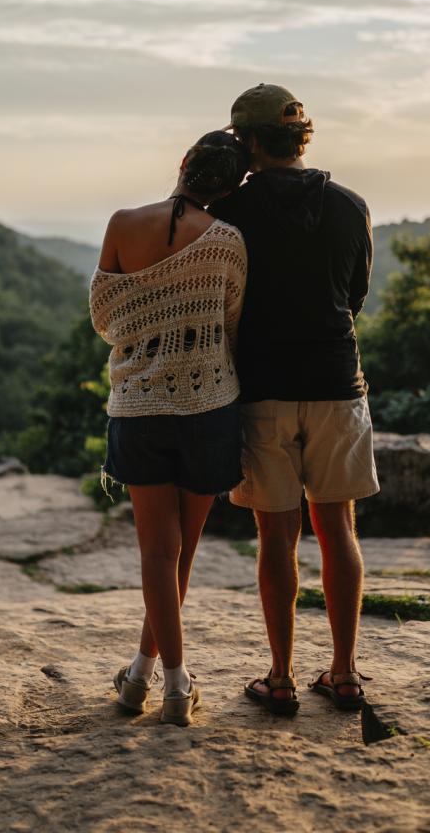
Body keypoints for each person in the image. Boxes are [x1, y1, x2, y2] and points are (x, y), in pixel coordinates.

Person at [209, 84, 378, 715]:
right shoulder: (350, 205)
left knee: (276, 537)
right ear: (302, 136)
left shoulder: (230, 214)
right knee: (338, 529)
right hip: (336, 381)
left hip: (263, 389)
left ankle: (279, 677)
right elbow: (354, 295)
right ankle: (344, 673)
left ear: (248, 142)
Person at [89, 130, 250, 727]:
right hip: (210, 406)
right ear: (231, 188)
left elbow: (106, 321)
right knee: (181, 552)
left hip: (139, 406)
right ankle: (160, 681)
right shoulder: (229, 242)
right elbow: (230, 324)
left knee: (158, 552)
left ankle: (155, 679)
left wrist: (149, 319)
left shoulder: (122, 223)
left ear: (183, 164)